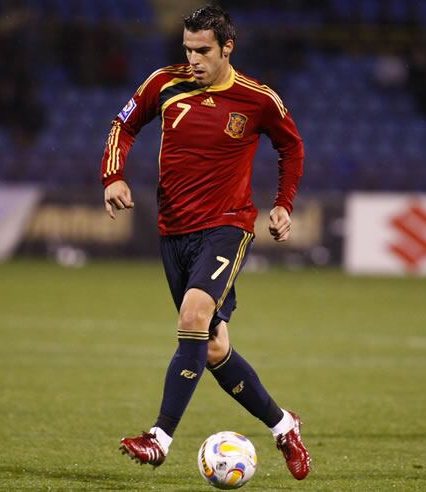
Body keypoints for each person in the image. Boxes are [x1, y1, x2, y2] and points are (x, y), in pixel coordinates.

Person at [99, 5, 310, 481]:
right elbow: (123, 125)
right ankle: (283, 425)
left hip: (227, 226)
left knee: (192, 315)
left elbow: (291, 147)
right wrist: (113, 175)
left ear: (226, 48)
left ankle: (160, 438)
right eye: (187, 49)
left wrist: (283, 204)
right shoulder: (163, 84)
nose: (193, 59)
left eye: (203, 51)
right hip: (173, 233)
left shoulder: (257, 99)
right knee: (212, 348)